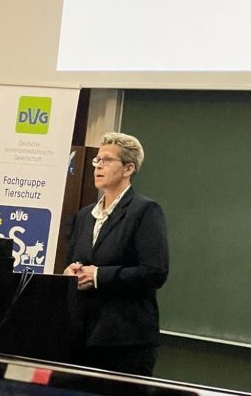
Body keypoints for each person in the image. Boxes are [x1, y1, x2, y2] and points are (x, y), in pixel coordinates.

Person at [63, 132, 169, 377]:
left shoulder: (145, 211)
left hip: (124, 340)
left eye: (107, 160)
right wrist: (71, 272)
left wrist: (98, 276)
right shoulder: (85, 215)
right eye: (97, 160)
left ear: (128, 169)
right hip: (82, 336)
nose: (98, 166)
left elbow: (155, 272)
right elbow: (73, 260)